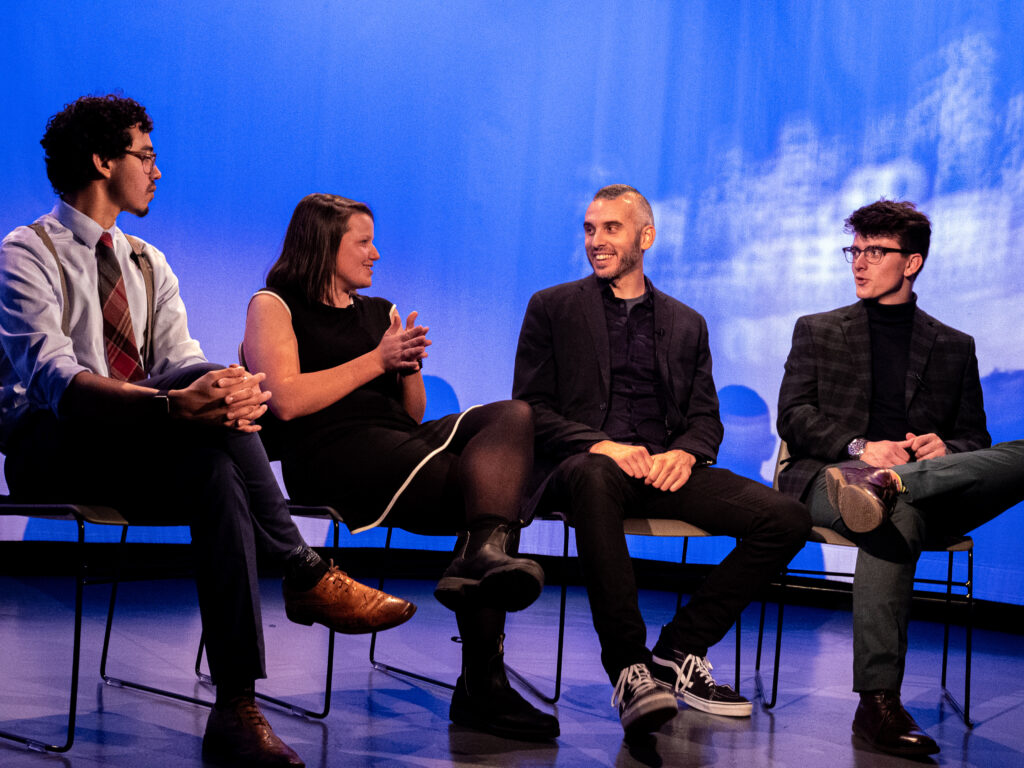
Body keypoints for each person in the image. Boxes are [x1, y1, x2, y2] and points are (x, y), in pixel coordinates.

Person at [0, 95, 416, 768]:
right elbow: (53, 379)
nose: (157, 172)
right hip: (52, 445)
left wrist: (227, 383)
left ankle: (235, 707)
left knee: (216, 463)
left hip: (135, 448)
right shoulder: (27, 252)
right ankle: (302, 568)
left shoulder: (148, 262)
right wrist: (173, 405)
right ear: (103, 161)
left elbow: (177, 360)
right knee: (196, 407)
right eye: (146, 156)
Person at [242, 193, 559, 741]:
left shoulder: (379, 310)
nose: (376, 253)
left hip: (398, 444)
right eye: (362, 242)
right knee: (486, 495)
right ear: (324, 246)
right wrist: (377, 360)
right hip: (330, 456)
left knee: (513, 416)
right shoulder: (273, 305)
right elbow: (286, 401)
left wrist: (407, 367)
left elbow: (410, 413)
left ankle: (482, 557)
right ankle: (483, 682)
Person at [512, 184, 811, 735]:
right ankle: (629, 667)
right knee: (596, 475)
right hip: (582, 466)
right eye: (589, 229)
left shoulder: (686, 322)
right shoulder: (552, 307)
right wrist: (599, 443)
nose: (595, 241)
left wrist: (686, 452)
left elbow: (705, 419)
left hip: (658, 468)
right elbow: (528, 409)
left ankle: (678, 649)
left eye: (611, 229)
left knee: (787, 518)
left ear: (645, 238)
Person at [777, 199, 1024, 757]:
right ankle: (879, 702)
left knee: (1010, 459)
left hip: (921, 482)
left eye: (874, 251)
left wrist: (946, 448)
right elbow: (793, 416)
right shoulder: (817, 330)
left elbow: (975, 441)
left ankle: (897, 483)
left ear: (911, 263)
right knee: (896, 514)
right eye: (855, 250)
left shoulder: (954, 346)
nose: (860, 263)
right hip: (832, 477)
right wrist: (864, 449)